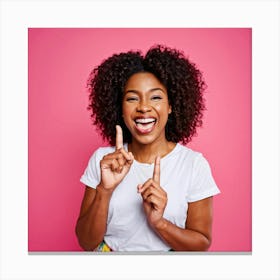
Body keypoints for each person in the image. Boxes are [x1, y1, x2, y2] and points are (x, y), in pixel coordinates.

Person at [75, 45, 220, 252]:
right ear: (120, 109)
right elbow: (86, 242)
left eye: (156, 97)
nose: (143, 107)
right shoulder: (103, 160)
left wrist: (159, 223)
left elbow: (201, 243)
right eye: (132, 98)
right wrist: (104, 191)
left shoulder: (193, 165)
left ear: (171, 106)